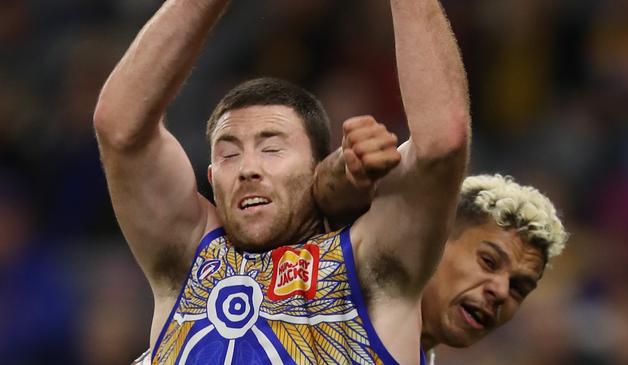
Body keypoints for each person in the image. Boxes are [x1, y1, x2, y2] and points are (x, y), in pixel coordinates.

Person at [94, 0, 470, 364]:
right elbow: (121, 129)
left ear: (317, 169)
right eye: (229, 154)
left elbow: (442, 144)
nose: (248, 168)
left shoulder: (370, 265)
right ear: (211, 178)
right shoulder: (189, 260)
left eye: (271, 149)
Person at [312, 149, 568, 364]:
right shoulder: (335, 286)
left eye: (518, 288)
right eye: (488, 262)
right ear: (436, 242)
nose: (501, 291)